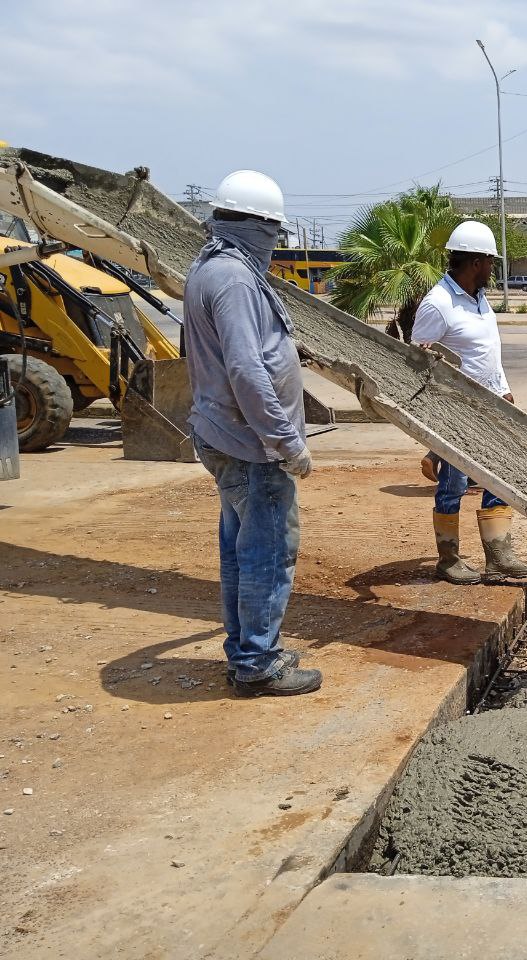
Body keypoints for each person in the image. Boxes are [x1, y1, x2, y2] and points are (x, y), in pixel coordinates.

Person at [185, 170, 322, 697]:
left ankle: (247, 650)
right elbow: (245, 369)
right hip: (252, 445)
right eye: (275, 233)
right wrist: (287, 442)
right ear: (259, 226)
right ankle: (258, 663)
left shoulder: (211, 267)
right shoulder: (237, 279)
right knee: (266, 551)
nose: (275, 245)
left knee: (241, 551)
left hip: (225, 435)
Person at [412, 221, 527, 585]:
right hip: (455, 413)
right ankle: (448, 558)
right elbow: (417, 366)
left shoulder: (478, 298)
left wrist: (505, 391)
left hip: (491, 407)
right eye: (490, 262)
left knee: (499, 479)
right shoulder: (438, 304)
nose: (493, 269)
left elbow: (487, 354)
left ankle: (499, 557)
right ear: (475, 262)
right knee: (453, 485)